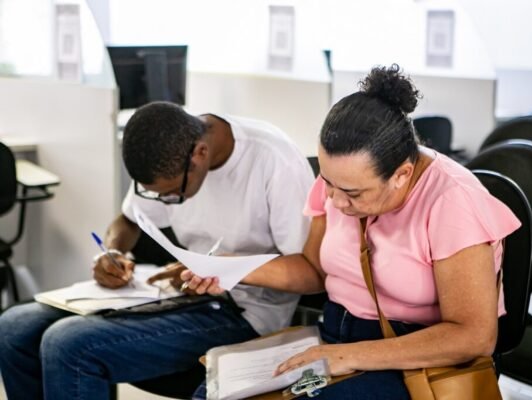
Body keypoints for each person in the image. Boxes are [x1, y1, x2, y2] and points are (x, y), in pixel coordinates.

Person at [185, 65, 522, 400]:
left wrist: (350, 356)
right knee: (211, 394)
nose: (334, 200)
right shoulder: (337, 182)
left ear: (402, 174)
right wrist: (229, 267)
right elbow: (314, 271)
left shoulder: (453, 201)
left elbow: (473, 337)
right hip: (334, 336)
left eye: (353, 193)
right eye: (328, 182)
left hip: (416, 357)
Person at [0, 102, 315, 400]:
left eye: (170, 196)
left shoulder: (273, 159)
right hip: (181, 291)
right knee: (14, 328)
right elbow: (128, 221)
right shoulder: (168, 144)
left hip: (247, 312)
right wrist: (112, 253)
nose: (162, 202)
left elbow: (309, 273)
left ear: (200, 154)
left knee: (69, 345)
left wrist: (222, 267)